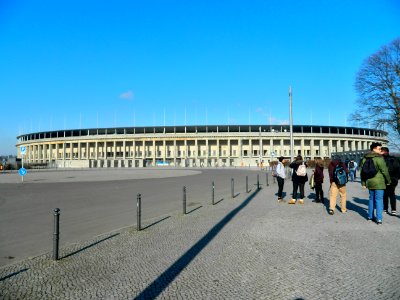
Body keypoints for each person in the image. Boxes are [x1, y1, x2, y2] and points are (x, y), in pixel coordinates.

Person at [360, 142, 391, 224]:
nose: (380, 150)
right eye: (379, 148)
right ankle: (379, 218)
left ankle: (370, 216)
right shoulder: (379, 158)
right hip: (379, 182)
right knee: (379, 200)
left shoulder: (365, 158)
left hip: (370, 182)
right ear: (374, 149)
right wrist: (388, 181)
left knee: (371, 199)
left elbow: (362, 172)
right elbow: (385, 171)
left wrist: (363, 183)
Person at [381, 147, 400, 216]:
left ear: (384, 152)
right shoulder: (394, 159)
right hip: (393, 179)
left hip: (385, 179)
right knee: (392, 194)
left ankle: (386, 208)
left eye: (382, 151)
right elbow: (398, 169)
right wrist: (397, 178)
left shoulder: (382, 159)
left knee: (385, 194)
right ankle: (393, 210)